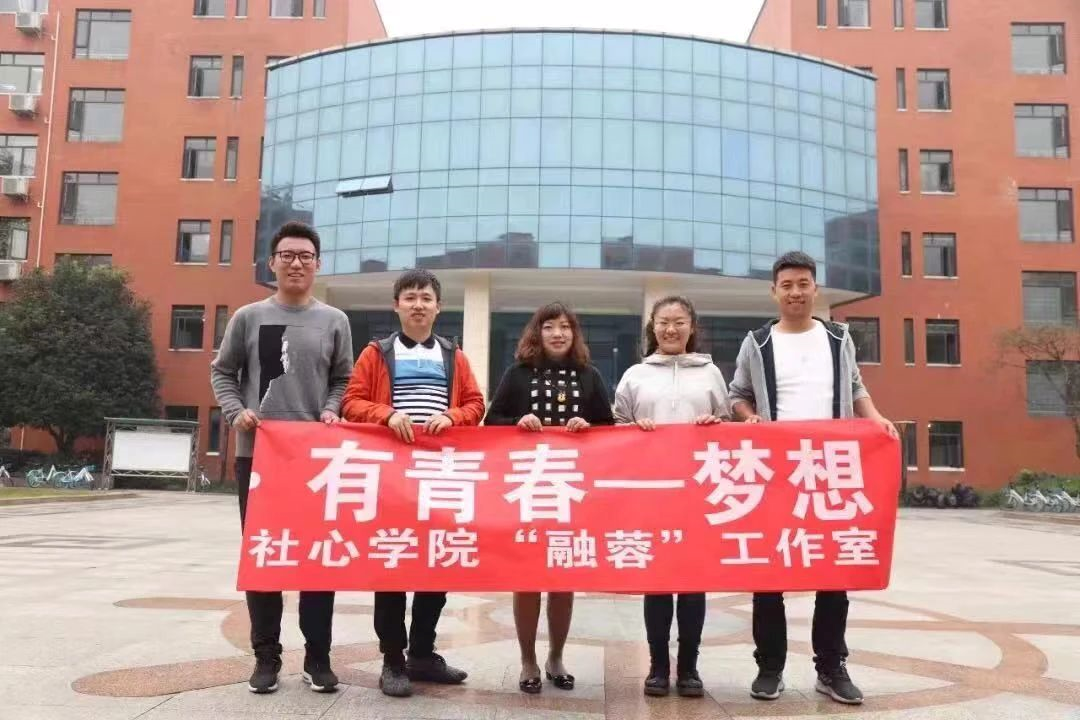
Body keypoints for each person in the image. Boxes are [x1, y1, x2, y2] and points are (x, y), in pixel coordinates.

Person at [728, 251, 898, 706]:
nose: (796, 292)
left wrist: (876, 419)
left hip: (829, 468)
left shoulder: (838, 338)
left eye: (803, 284)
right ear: (774, 292)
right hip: (775, 471)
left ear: (815, 289)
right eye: (787, 285)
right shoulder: (758, 342)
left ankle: (830, 667)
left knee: (833, 570)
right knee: (769, 571)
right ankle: (770, 668)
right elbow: (736, 394)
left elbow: (856, 386)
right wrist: (749, 417)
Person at [210, 220, 354, 695]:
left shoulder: (334, 320)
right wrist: (236, 412)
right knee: (265, 556)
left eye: (305, 256)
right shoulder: (249, 317)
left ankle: (318, 657)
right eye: (287, 255)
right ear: (272, 263)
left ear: (318, 264)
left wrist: (332, 409)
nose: (296, 263)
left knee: (318, 559)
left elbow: (344, 379)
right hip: (259, 458)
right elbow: (223, 372)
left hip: (317, 463)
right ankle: (266, 657)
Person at [340, 268, 485, 698]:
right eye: (410, 298)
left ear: (439, 307)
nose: (418, 305)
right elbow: (351, 402)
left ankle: (422, 653)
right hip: (391, 477)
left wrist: (453, 416)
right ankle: (392, 659)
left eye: (426, 298)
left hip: (439, 476)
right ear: (397, 306)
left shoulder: (453, 355)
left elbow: (475, 404)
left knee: (435, 564)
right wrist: (386, 414)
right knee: (392, 563)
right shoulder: (376, 353)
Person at [485, 302, 615, 695]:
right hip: (528, 490)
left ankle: (556, 657)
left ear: (574, 334)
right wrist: (518, 422)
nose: (558, 334)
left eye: (565, 327)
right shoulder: (517, 373)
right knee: (527, 578)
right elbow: (491, 422)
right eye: (549, 327)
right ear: (536, 333)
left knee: (563, 577)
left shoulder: (590, 375)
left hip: (571, 491)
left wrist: (588, 426)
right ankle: (528, 659)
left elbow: (609, 428)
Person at [613, 295, 730, 698]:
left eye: (679, 321)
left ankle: (690, 667)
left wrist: (714, 424)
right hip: (652, 493)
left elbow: (728, 428)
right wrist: (634, 429)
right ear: (653, 327)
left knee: (694, 582)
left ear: (692, 327)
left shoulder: (711, 373)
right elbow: (615, 426)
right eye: (663, 322)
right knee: (659, 581)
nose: (671, 329)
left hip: (698, 494)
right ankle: (658, 666)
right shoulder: (635, 375)